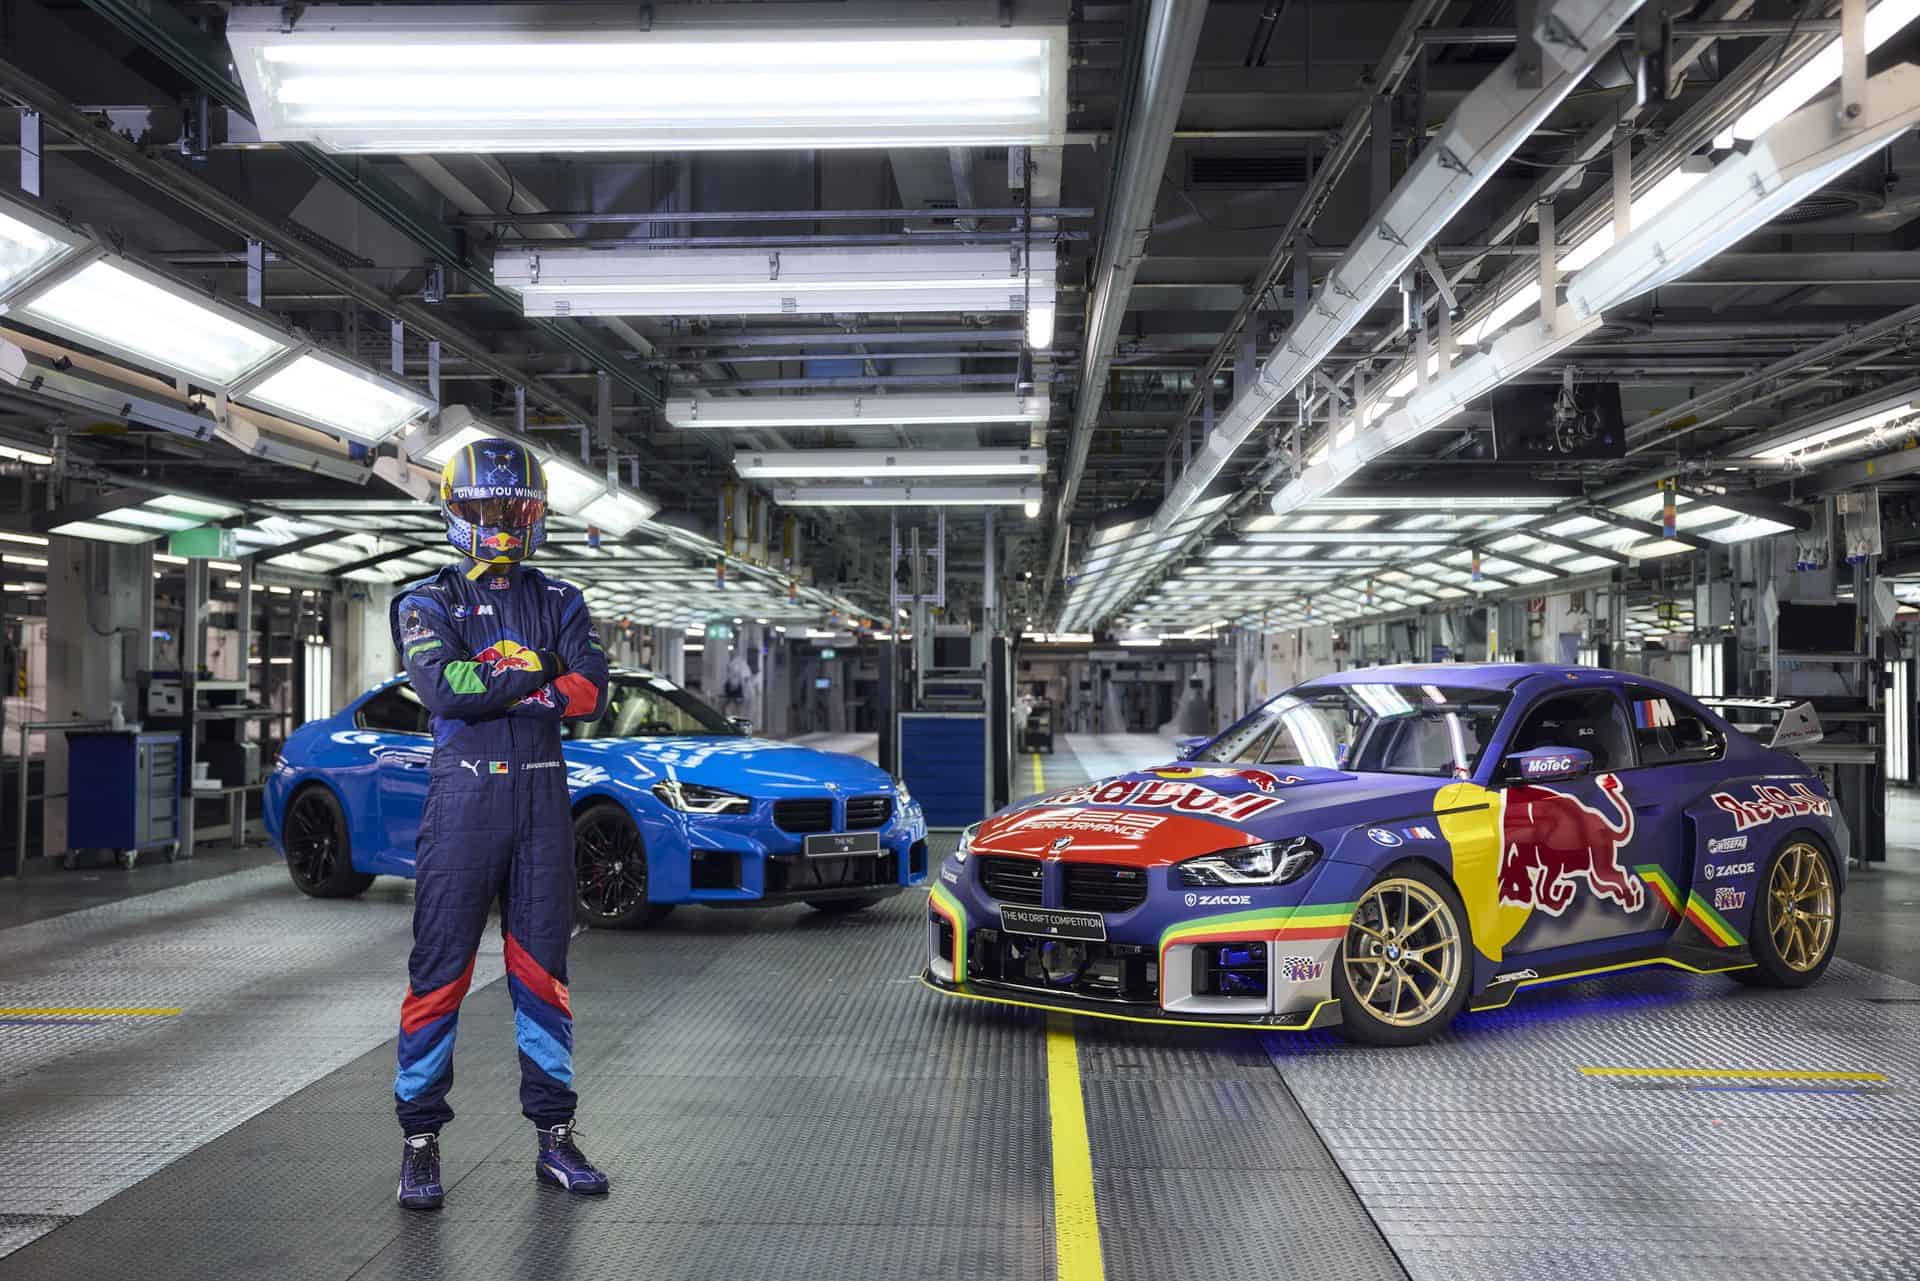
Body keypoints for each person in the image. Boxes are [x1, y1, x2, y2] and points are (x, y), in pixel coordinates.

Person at [387, 436, 612, 1210]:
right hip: (462, 813)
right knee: (439, 974)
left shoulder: (562, 601)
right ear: (456, 511)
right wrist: (538, 669)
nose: (502, 522)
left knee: (544, 979)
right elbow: (445, 688)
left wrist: (507, 677)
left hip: (543, 815)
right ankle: (419, 1144)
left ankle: (555, 1138)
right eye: (485, 508)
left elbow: (592, 693)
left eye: (515, 509)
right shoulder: (426, 601)